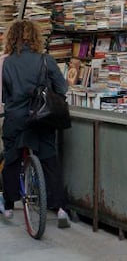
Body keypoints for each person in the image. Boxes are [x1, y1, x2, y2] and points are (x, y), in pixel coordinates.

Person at [1, 19, 70, 228]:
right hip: (43, 117)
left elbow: (6, 97)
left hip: (16, 118)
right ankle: (59, 209)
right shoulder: (46, 60)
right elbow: (62, 89)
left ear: (12, 38)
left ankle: (10, 206)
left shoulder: (9, 63)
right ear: (36, 38)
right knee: (49, 161)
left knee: (12, 159)